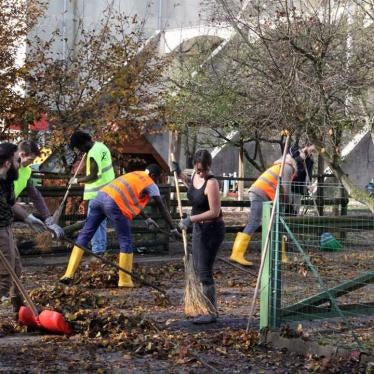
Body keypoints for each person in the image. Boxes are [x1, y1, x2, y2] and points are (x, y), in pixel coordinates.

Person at [60, 164, 180, 287]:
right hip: (114, 204)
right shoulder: (151, 184)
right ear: (153, 175)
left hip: (99, 198)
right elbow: (162, 208)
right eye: (158, 178)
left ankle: (68, 274)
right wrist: (174, 228)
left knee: (85, 234)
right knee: (125, 240)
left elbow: (130, 197)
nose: (157, 181)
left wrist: (147, 218)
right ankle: (124, 280)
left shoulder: (134, 174)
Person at [175, 150, 225, 324]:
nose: (201, 174)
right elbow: (193, 189)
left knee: (204, 270)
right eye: (198, 171)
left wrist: (190, 219)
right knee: (196, 268)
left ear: (208, 166)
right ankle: (203, 307)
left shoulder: (212, 183)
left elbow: (214, 211)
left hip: (212, 230)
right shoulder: (195, 177)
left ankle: (211, 313)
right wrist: (181, 175)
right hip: (198, 229)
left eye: (203, 170)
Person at [0, 142, 48, 316]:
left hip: (6, 227)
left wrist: (29, 218)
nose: (19, 164)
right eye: (16, 161)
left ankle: (18, 311)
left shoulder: (7, 181)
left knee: (16, 270)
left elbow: (12, 203)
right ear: (7, 163)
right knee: (5, 278)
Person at [229, 153, 297, 266]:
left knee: (274, 224)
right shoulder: (287, 167)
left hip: (261, 193)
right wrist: (289, 203)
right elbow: (285, 188)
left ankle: (279, 254)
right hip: (261, 193)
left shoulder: (279, 166)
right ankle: (237, 254)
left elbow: (280, 189)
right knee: (255, 222)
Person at [69, 130, 115, 256]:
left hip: (97, 194)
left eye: (79, 148)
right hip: (108, 191)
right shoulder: (101, 146)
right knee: (100, 223)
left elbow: (93, 176)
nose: (81, 151)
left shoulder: (93, 153)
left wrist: (76, 180)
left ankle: (98, 251)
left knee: (94, 223)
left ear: (82, 143)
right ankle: (100, 250)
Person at [13, 141, 64, 239]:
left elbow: (36, 196)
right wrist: (27, 217)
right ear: (22, 154)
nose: (31, 163)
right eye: (30, 159)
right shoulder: (5, 167)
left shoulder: (26, 171)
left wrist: (48, 218)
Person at [289, 143, 316, 214]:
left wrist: (308, 186)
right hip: (288, 185)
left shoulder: (310, 161)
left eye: (314, 151)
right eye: (312, 150)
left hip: (298, 189)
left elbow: (308, 176)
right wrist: (300, 156)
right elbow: (290, 161)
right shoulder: (294, 151)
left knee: (295, 211)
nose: (312, 152)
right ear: (307, 146)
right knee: (286, 208)